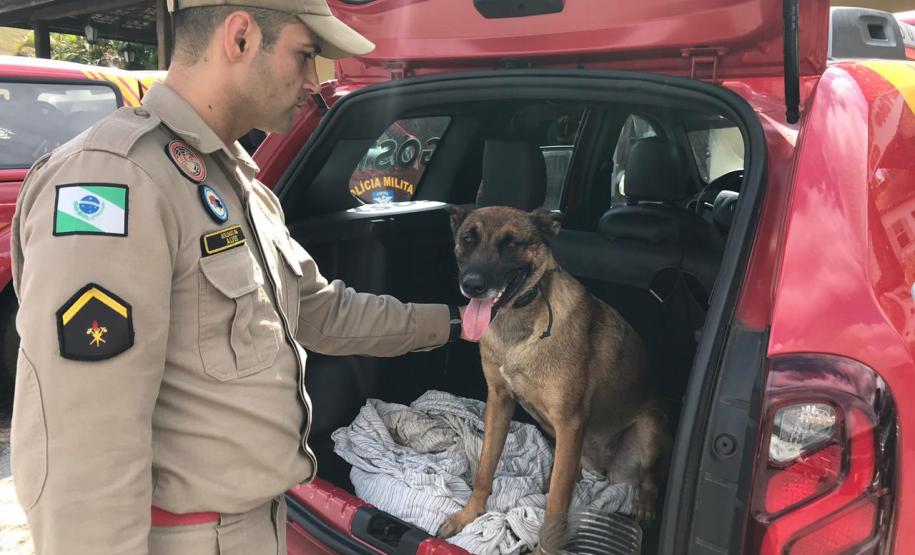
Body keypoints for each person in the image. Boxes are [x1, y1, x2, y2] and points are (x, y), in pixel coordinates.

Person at [9, 1, 465, 553]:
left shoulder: (238, 185)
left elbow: (319, 311)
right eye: (305, 55)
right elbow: (82, 439)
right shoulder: (116, 180)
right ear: (241, 38)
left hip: (255, 523)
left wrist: (460, 323)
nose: (315, 82)